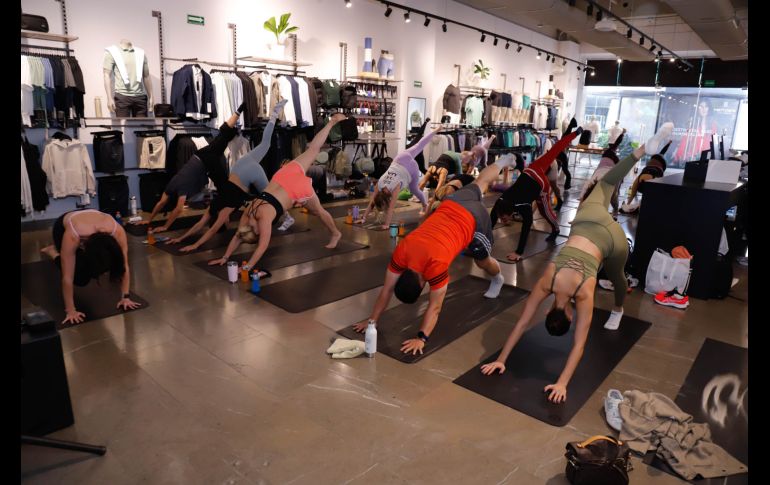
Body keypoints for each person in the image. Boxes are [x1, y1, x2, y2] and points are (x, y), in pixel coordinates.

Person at [479, 124, 673, 404]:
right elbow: (521, 323)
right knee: (606, 185)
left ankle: (618, 309)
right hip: (585, 222)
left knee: (619, 275)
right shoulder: (549, 278)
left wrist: (562, 382)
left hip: (609, 238)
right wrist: (500, 358)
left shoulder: (584, 293)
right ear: (549, 313)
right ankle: (643, 150)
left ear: (568, 317)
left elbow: (579, 344)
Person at [350, 153, 520, 355]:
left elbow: (436, 307)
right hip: (451, 204)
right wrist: (371, 322)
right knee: (480, 182)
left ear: (422, 285)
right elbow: (387, 289)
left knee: (481, 261)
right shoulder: (402, 252)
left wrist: (421, 338)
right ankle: (502, 161)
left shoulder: (435, 267)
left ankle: (498, 278)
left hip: (474, 220)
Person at [207, 113, 347, 272]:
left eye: (257, 233)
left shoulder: (264, 218)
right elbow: (238, 236)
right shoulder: (247, 213)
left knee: (319, 211)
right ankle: (331, 123)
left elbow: (262, 246)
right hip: (283, 176)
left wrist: (246, 268)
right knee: (313, 149)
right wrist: (224, 258)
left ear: (256, 229)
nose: (260, 233)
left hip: (295, 187)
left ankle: (336, 233)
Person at [166, 100, 290, 250]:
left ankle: (288, 217)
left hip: (250, 173)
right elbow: (199, 225)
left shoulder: (223, 212)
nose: (227, 222)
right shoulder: (213, 205)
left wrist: (195, 245)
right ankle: (275, 113)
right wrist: (180, 239)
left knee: (271, 195)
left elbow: (210, 230)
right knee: (265, 144)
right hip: (240, 166)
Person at [140, 108, 247, 233]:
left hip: (206, 161)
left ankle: (227, 213)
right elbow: (167, 206)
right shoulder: (177, 183)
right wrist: (150, 220)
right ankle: (238, 112)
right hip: (200, 155)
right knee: (222, 137)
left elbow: (168, 205)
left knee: (224, 186)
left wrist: (161, 224)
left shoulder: (173, 186)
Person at [489, 119, 581, 263]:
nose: (503, 221)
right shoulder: (501, 202)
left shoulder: (524, 206)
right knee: (495, 216)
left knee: (545, 212)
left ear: (512, 212)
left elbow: (527, 227)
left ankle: (556, 229)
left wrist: (519, 252)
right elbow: (491, 221)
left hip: (540, 184)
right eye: (503, 219)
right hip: (531, 171)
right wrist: (484, 242)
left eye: (505, 219)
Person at [39, 209, 141, 324]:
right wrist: (71, 310)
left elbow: (123, 265)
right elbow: (67, 277)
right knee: (80, 278)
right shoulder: (73, 235)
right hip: (63, 227)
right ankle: (53, 251)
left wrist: (125, 297)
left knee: (108, 264)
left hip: (91, 222)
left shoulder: (117, 231)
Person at [357, 126, 441, 228]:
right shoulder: (379, 184)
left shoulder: (393, 188)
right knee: (419, 145)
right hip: (401, 158)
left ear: (386, 198)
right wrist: (363, 218)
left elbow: (389, 207)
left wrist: (386, 224)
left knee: (414, 189)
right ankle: (436, 130)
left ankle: (425, 205)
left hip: (411, 168)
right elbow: (372, 202)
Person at [419, 136, 496, 192]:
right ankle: (434, 198)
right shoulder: (458, 160)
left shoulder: (460, 156)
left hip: (441, 158)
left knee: (424, 181)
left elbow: (465, 155)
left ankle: (417, 196)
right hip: (449, 161)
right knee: (452, 178)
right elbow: (460, 176)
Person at [578, 130, 627, 214]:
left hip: (605, 173)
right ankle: (614, 211)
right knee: (613, 197)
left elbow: (583, 198)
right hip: (608, 173)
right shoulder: (614, 157)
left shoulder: (608, 156)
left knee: (610, 196)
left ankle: (612, 211)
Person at [620, 141, 672, 213]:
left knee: (649, 199)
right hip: (655, 171)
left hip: (653, 171)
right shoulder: (645, 179)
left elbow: (632, 194)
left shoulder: (639, 180)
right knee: (653, 199)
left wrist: (628, 204)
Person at [673, 98, 717, 164]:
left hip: (706, 159)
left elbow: (713, 144)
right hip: (692, 158)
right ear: (697, 108)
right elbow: (685, 141)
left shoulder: (713, 125)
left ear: (709, 108)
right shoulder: (693, 124)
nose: (703, 109)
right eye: (701, 106)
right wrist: (677, 158)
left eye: (706, 106)